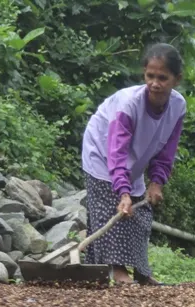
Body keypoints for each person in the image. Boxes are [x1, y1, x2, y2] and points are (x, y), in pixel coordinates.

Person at [80, 43, 187, 285]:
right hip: (103, 152)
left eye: (162, 78)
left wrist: (157, 182)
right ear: (144, 74)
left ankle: (141, 271)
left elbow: (167, 150)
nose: (155, 84)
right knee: (112, 208)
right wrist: (123, 190)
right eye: (150, 76)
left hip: (137, 157)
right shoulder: (129, 104)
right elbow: (116, 151)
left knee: (142, 212)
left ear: (176, 79)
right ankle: (117, 271)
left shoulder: (178, 107)